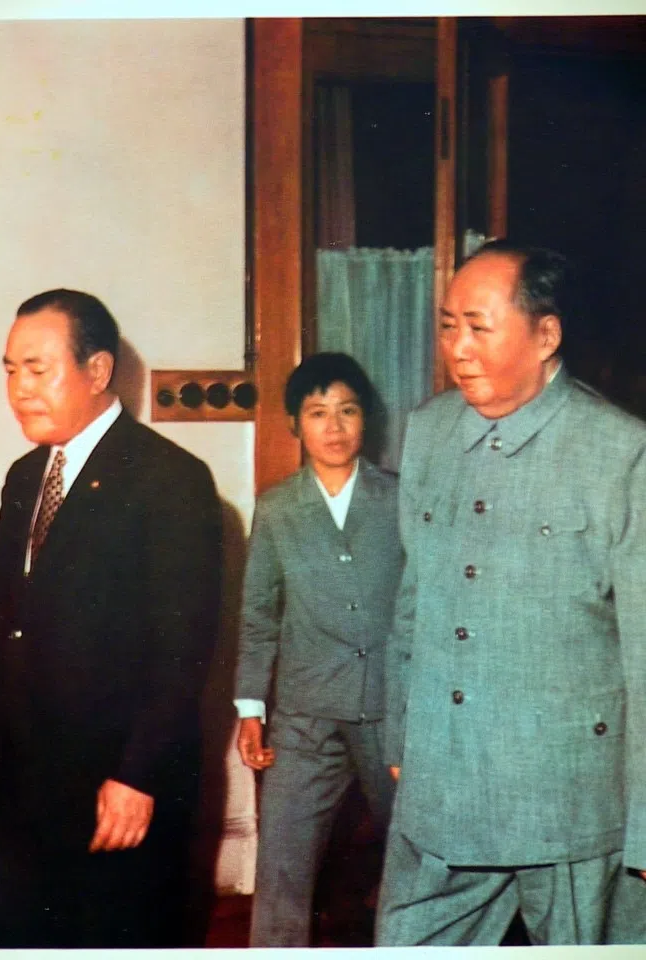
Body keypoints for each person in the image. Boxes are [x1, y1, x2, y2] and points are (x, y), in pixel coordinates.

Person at [0, 289, 222, 948]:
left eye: (38, 368)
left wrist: (137, 775)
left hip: (113, 785)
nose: (19, 389)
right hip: (17, 779)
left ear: (97, 371)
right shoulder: (25, 475)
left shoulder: (170, 479)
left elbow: (184, 649)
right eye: (9, 369)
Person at [376, 239, 646, 946]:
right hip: (441, 795)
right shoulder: (429, 432)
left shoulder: (620, 453)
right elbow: (415, 597)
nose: (457, 348)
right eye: (446, 325)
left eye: (478, 326)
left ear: (546, 335)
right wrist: (401, 733)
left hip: (566, 803)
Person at [234, 352, 402, 946]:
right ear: (294, 424)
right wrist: (251, 709)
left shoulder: (401, 500)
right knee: (282, 864)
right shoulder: (278, 509)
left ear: (367, 420)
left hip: (392, 714)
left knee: (414, 862)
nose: (334, 427)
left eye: (347, 411)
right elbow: (258, 615)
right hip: (305, 715)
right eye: (318, 413)